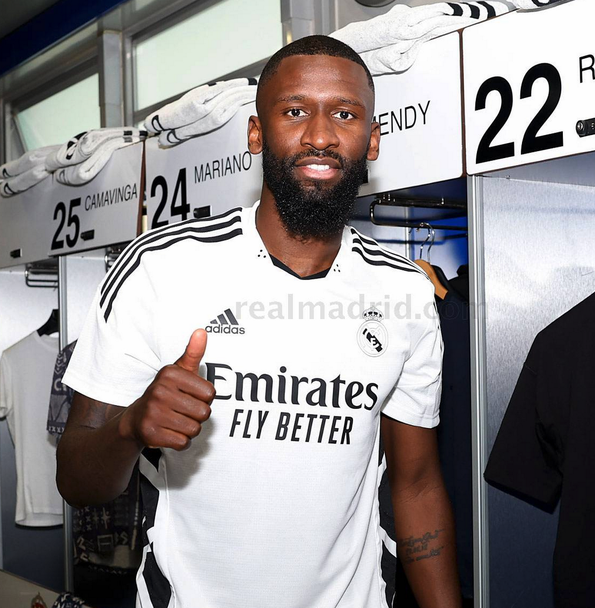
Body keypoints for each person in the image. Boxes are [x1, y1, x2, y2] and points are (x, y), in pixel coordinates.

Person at [57, 35, 461, 607]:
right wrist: (131, 427)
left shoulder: (406, 292)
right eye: (294, 111)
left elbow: (416, 485)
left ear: (372, 140)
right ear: (255, 134)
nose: (320, 135)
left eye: (344, 115)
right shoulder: (160, 267)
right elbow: (76, 479)